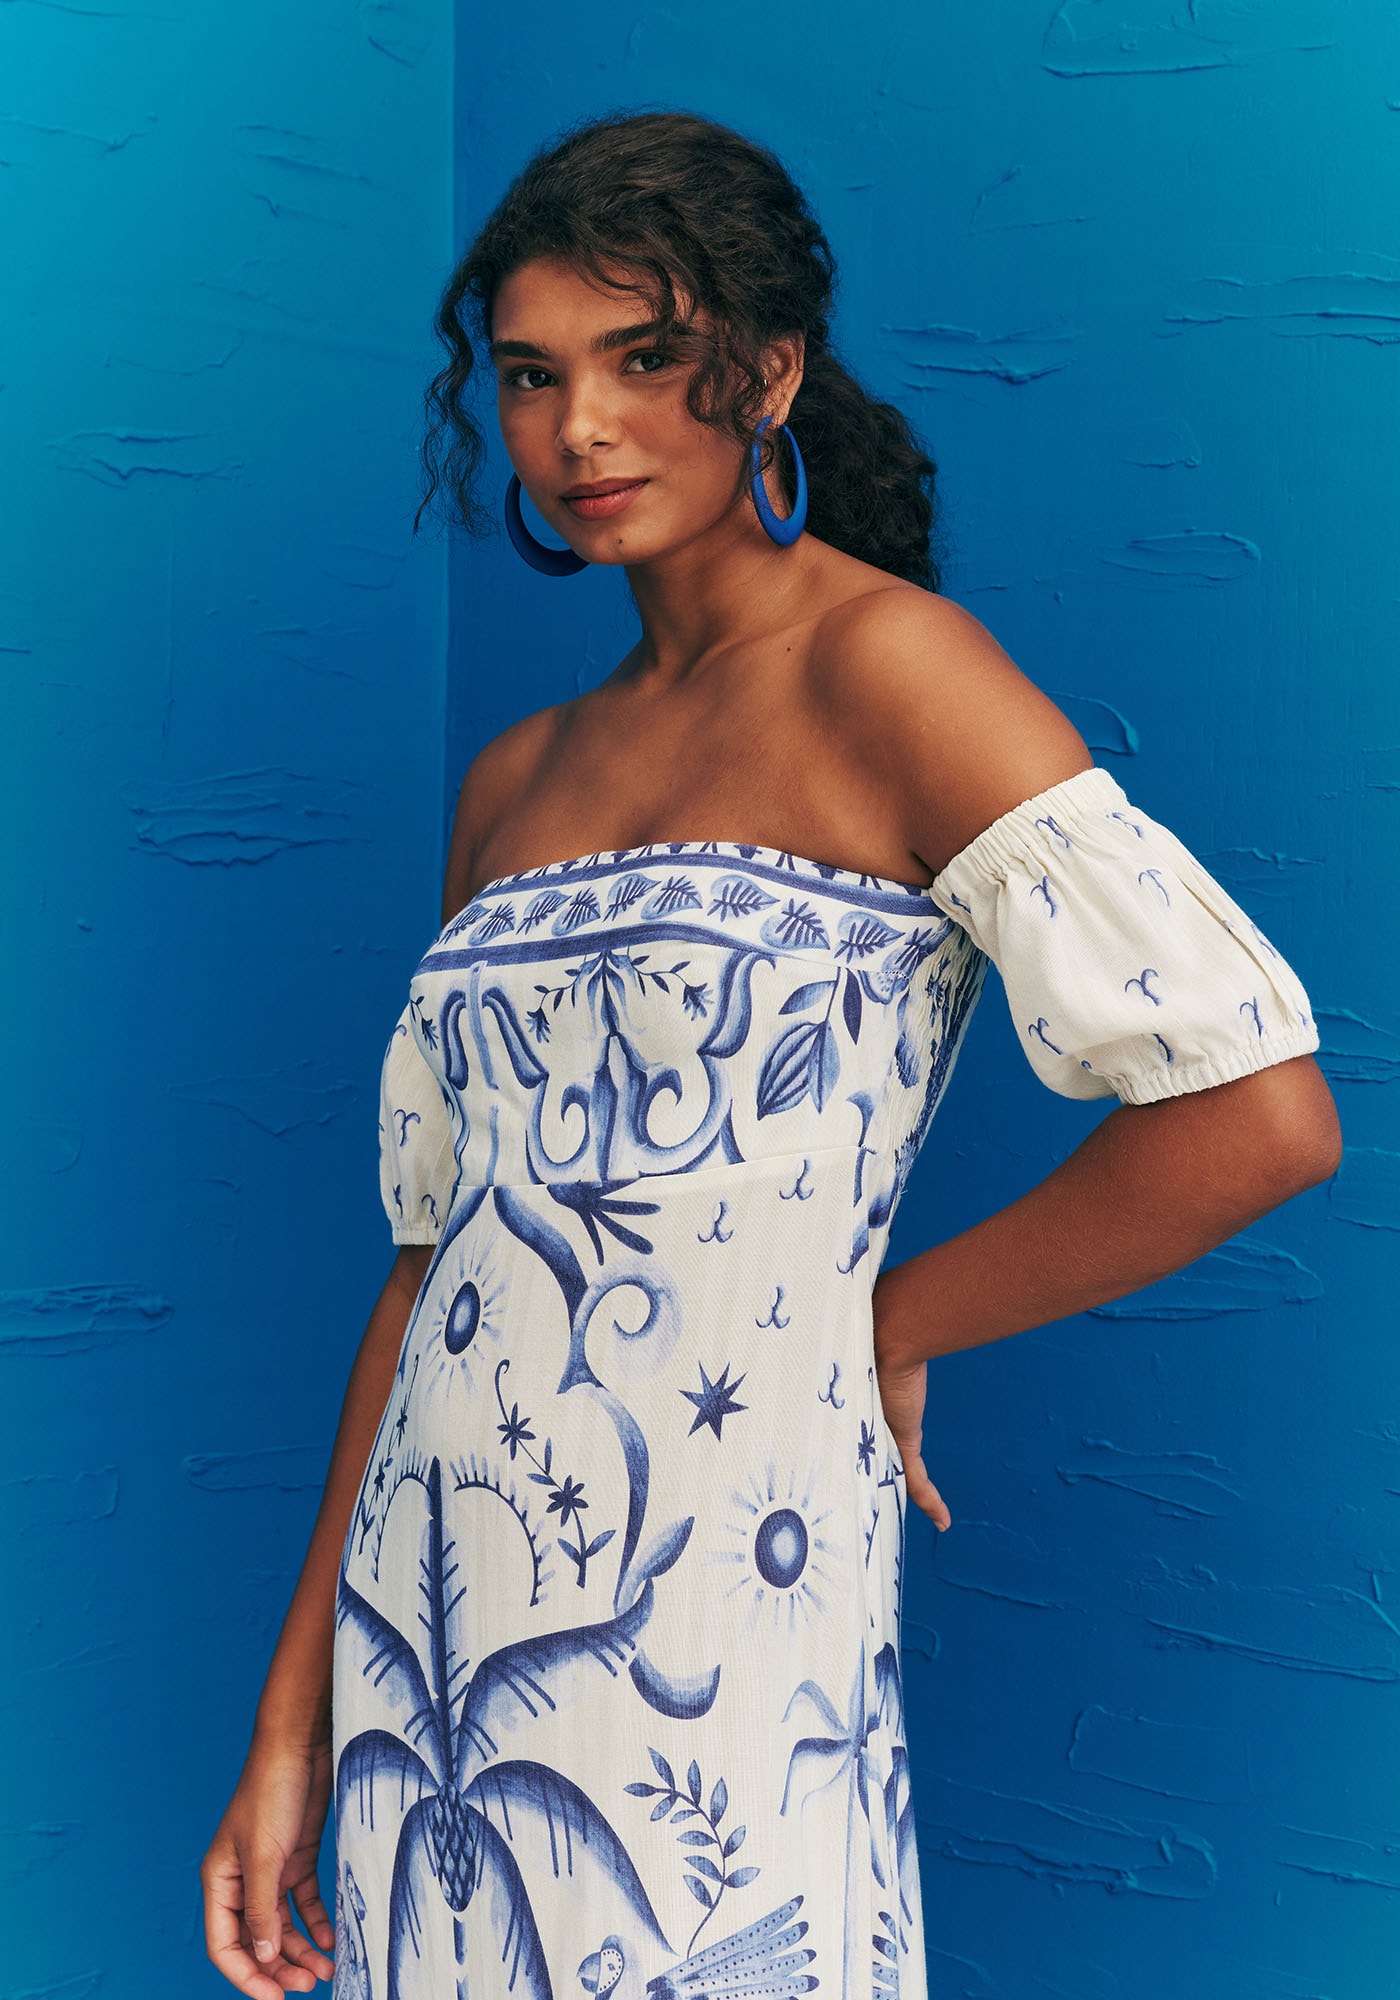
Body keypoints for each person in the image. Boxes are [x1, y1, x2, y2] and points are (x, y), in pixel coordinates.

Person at [201, 108, 1341, 2000]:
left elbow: (1257, 1114)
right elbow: (429, 1276)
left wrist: (884, 1323)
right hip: (433, 1644)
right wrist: (289, 1725)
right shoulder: (515, 779)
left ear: (771, 372)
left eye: (645, 357)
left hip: (719, 1603)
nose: (582, 428)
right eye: (532, 375)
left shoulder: (892, 672)